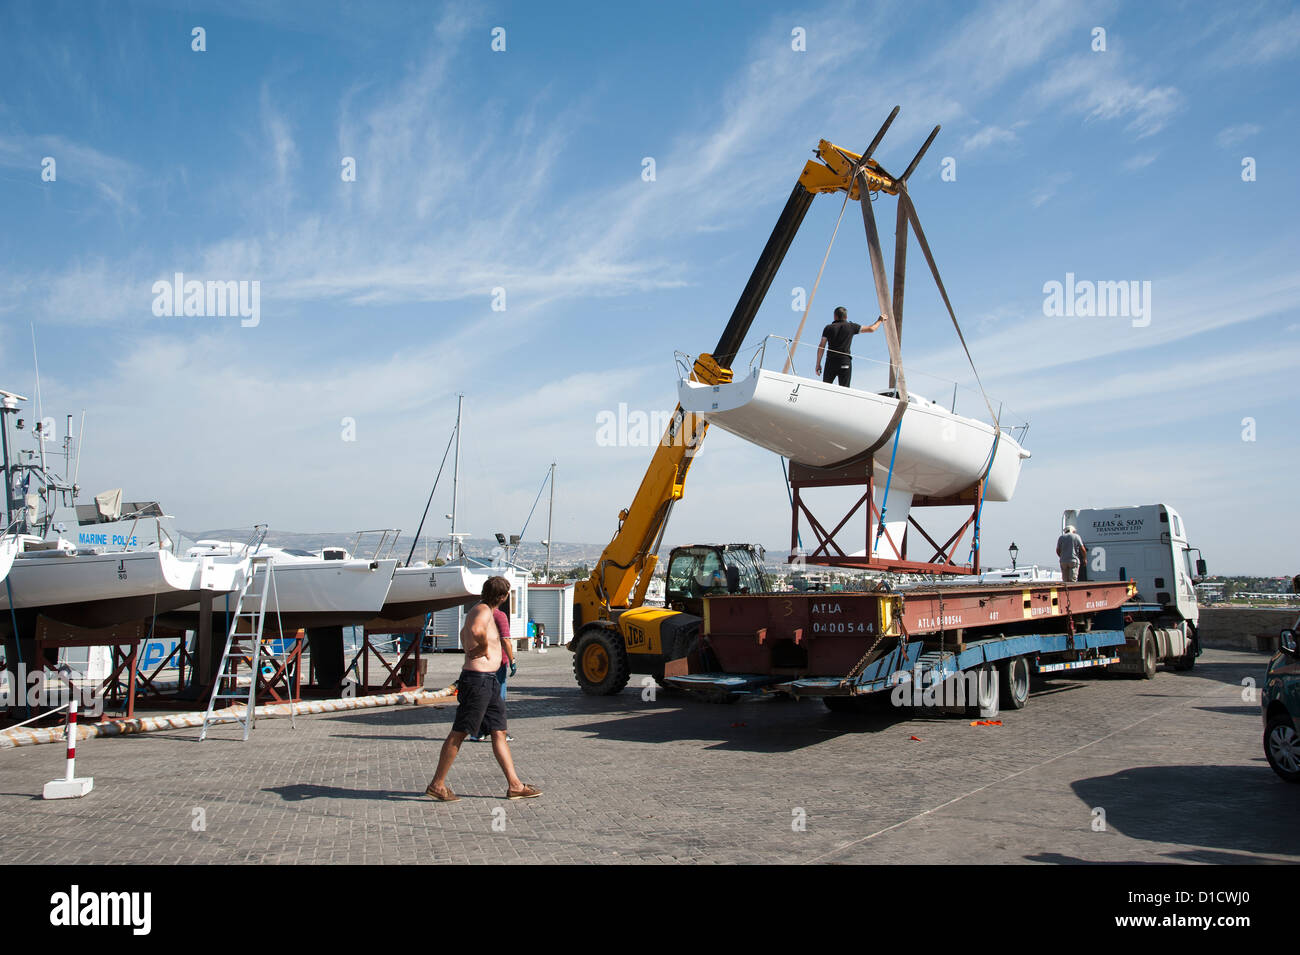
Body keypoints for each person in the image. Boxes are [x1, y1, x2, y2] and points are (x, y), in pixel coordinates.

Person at [425, 577, 541, 802]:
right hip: (478, 681)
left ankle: (515, 785)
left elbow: (463, 634)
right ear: (502, 596)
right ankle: (437, 784)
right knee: (460, 731)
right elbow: (477, 629)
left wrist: (476, 647)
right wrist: (485, 647)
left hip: (488, 681)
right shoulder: (484, 611)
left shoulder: (478, 609)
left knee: (499, 731)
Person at [468, 603, 517, 742]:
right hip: (497, 662)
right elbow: (505, 640)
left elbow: (464, 634)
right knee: (498, 698)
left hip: (480, 663)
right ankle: (499, 731)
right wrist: (512, 661)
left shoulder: (475, 613)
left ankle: (479, 731)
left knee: (483, 697)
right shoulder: (499, 616)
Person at [815, 306, 885, 387]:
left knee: (825, 388)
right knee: (845, 390)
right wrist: (880, 320)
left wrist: (818, 364)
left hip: (831, 362)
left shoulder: (828, 328)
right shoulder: (851, 326)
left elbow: (821, 346)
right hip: (844, 361)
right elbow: (871, 329)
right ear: (846, 317)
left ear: (835, 316)